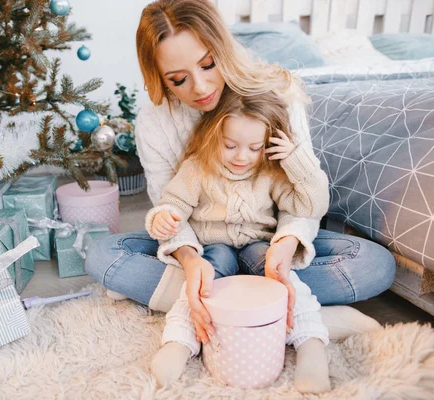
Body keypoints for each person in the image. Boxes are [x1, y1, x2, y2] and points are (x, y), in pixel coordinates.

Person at [85, 0, 394, 377]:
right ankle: (286, 311)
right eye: (178, 79)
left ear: (224, 48)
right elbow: (170, 203)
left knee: (375, 265)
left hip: (266, 241)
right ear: (159, 78)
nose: (200, 87)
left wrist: (287, 243)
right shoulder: (157, 122)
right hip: (207, 247)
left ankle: (214, 304)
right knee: (103, 254)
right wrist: (189, 257)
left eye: (208, 64)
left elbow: (303, 200)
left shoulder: (274, 94)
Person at [147, 88, 331, 392]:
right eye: (230, 145)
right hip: (213, 248)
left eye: (254, 147)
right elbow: (172, 203)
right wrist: (163, 217)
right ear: (212, 136)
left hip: (260, 246)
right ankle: (178, 343)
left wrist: (299, 162)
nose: (242, 157)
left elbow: (311, 207)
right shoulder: (197, 168)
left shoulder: (272, 171)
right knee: (198, 286)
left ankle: (311, 344)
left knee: (285, 282)